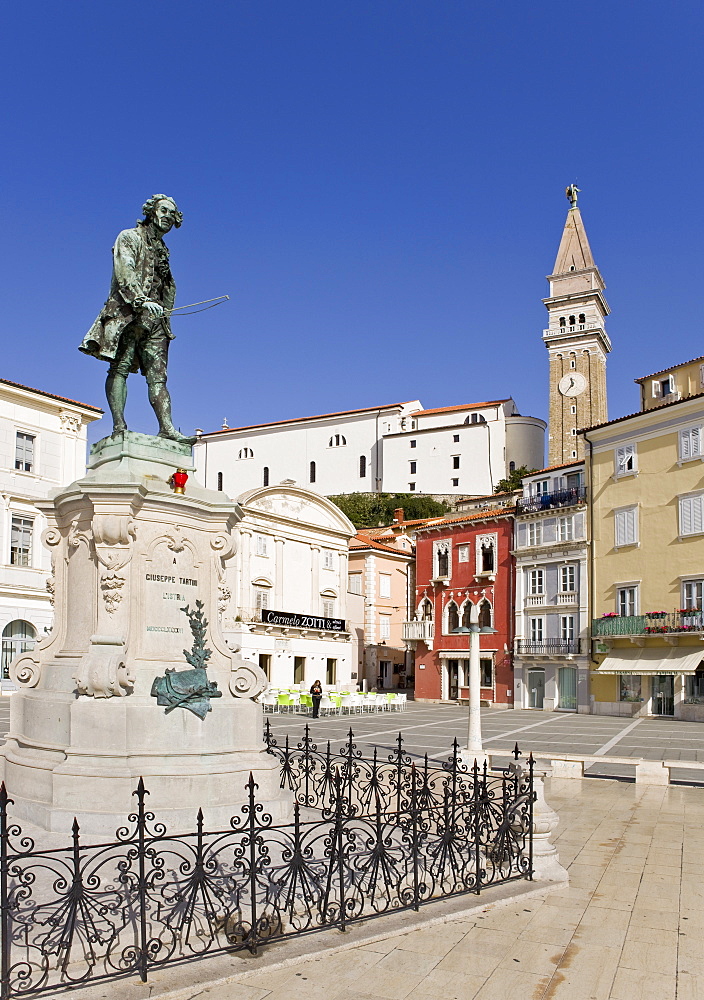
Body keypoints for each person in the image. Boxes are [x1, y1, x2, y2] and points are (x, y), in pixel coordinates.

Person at [79, 194, 193, 444]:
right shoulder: (129, 237)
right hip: (128, 315)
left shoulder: (164, 251)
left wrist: (165, 310)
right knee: (119, 368)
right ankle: (119, 426)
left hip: (157, 321)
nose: (167, 217)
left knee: (159, 377)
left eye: (172, 215)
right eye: (163, 211)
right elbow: (125, 271)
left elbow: (166, 285)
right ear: (151, 212)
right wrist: (141, 300)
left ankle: (167, 428)